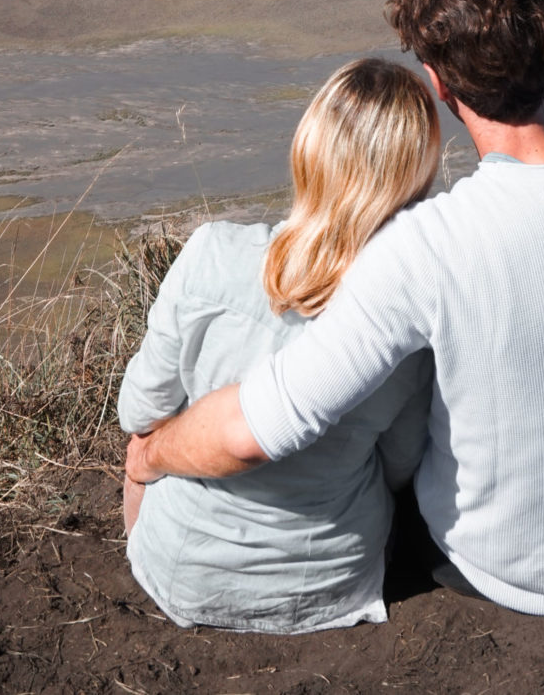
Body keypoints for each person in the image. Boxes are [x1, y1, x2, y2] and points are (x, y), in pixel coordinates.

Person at [126, 0, 544, 615]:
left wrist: (153, 456)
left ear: (438, 84)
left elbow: (255, 431)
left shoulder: (425, 246)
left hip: (491, 570)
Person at [117, 57, 438, 633]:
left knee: (144, 443)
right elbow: (400, 466)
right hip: (329, 588)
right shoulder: (408, 324)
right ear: (414, 181)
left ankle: (145, 554)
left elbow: (138, 410)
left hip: (184, 578)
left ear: (306, 150)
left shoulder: (212, 255)